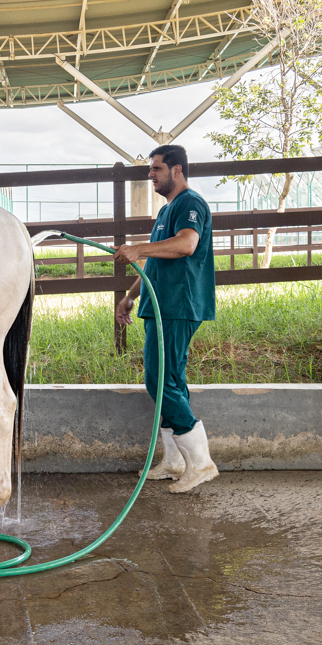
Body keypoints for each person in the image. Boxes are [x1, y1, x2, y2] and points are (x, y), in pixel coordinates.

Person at [114, 144, 218, 493]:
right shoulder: (167, 210)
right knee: (170, 379)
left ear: (176, 170)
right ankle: (175, 461)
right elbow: (157, 261)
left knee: (160, 380)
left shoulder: (190, 204)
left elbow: (186, 245)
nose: (150, 175)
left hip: (177, 304)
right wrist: (131, 295)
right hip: (161, 302)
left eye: (156, 169)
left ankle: (201, 463)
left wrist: (139, 248)